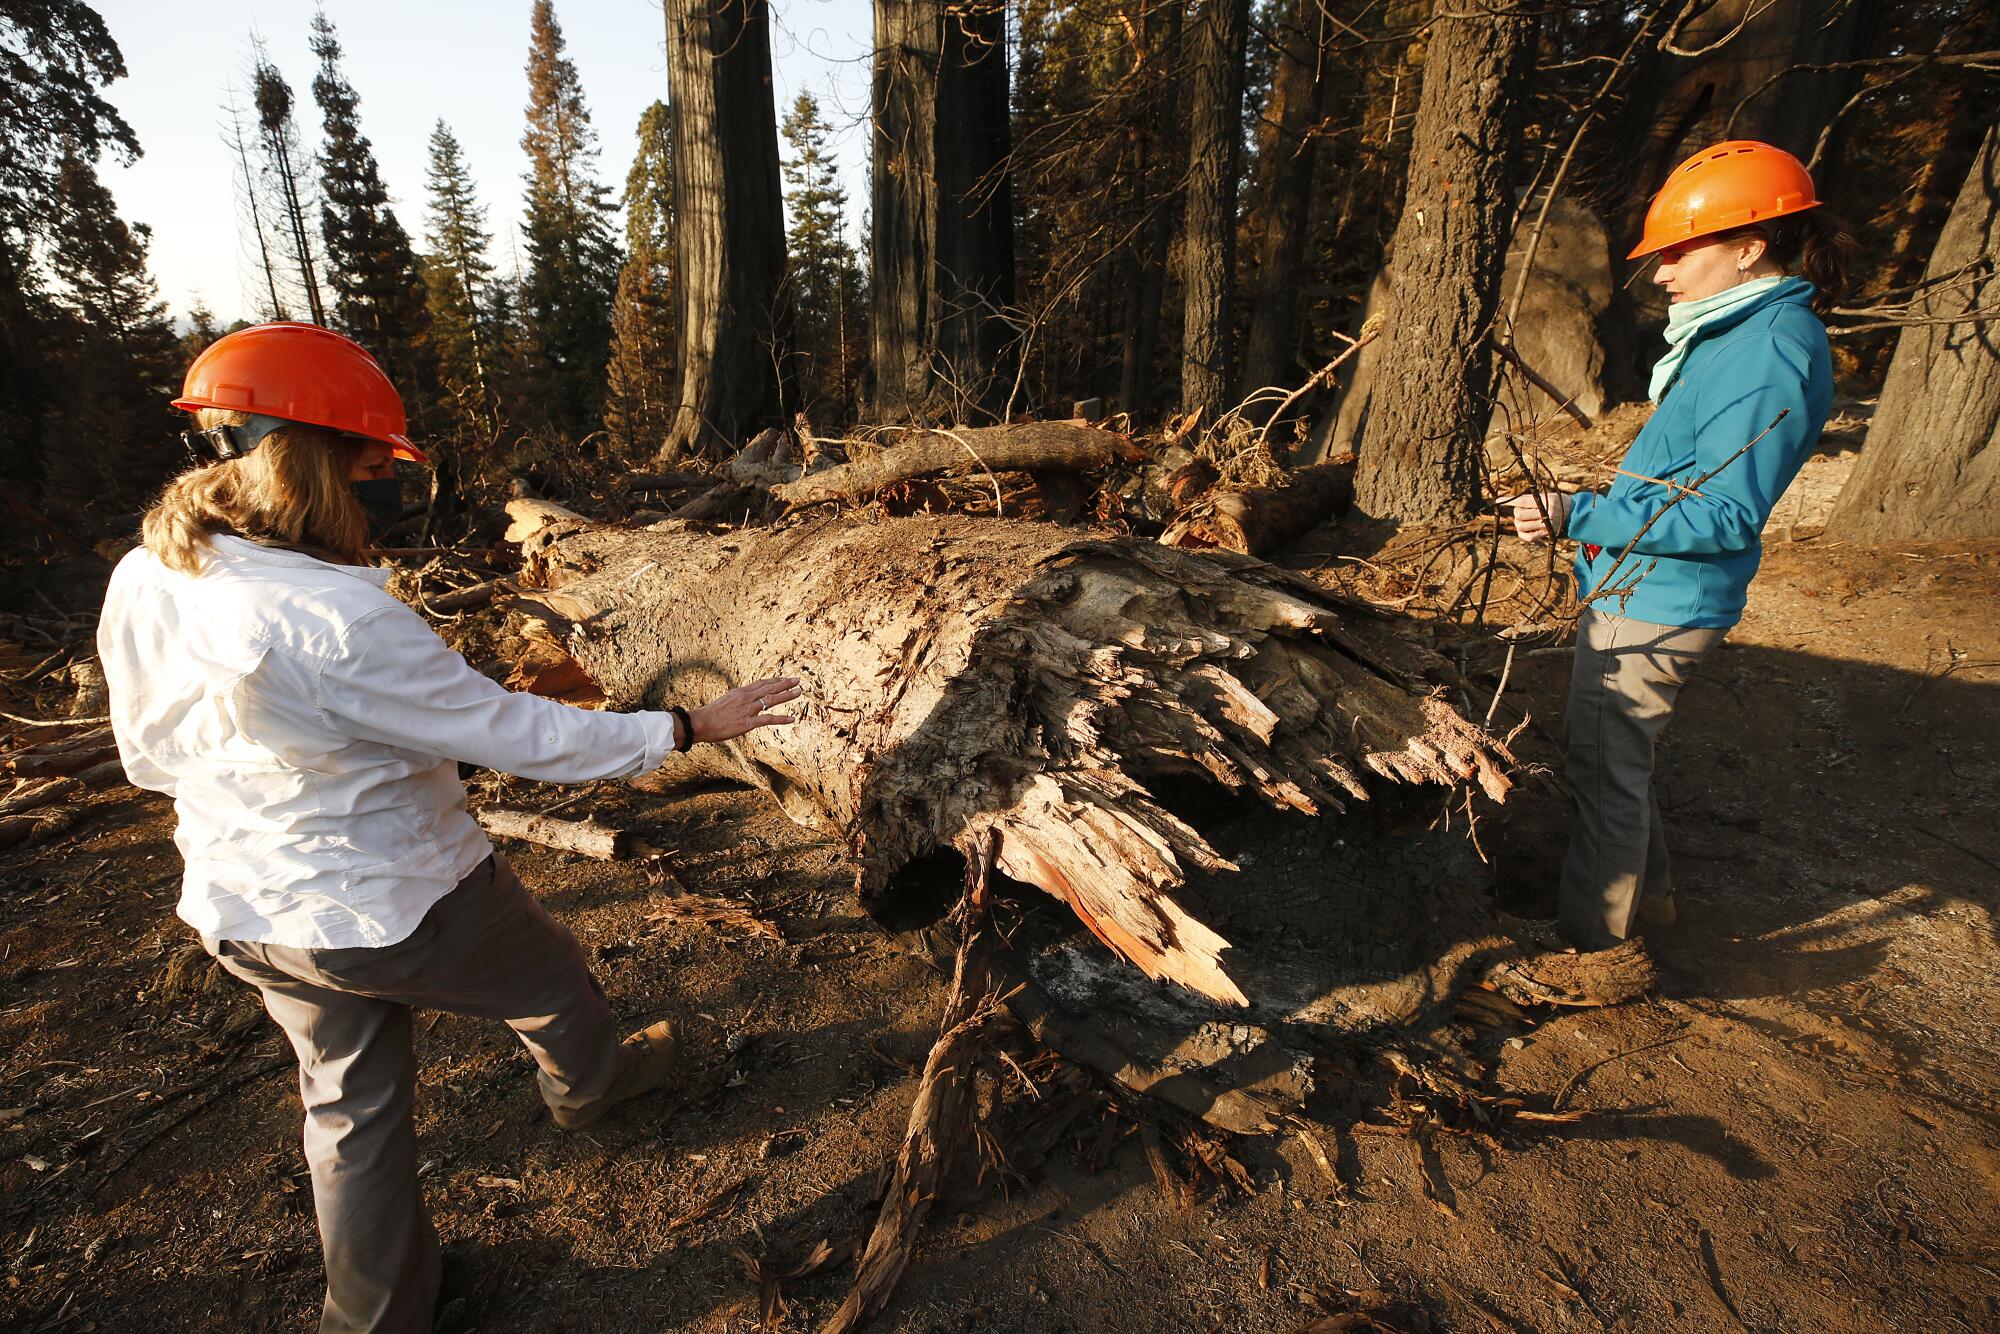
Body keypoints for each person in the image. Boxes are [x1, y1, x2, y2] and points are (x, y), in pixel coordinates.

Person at [97, 321, 802, 1333]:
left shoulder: (150, 572)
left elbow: (144, 754)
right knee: (552, 975)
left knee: (348, 1106)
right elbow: (512, 730)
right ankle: (592, 1086)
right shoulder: (334, 618)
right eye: (371, 457)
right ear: (306, 457)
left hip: (242, 906)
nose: (387, 478)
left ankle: (375, 1313)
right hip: (394, 898)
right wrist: (682, 726)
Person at [1508, 141, 1853, 949]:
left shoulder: (1767, 349)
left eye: (1679, 252)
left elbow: (1728, 513)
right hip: (1641, 585)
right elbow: (1684, 476)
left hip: (1661, 601)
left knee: (1603, 769)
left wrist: (1578, 515)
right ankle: (1646, 908)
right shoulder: (1734, 336)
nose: (1661, 273)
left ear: (1748, 247)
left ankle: (1594, 947)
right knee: (1611, 764)